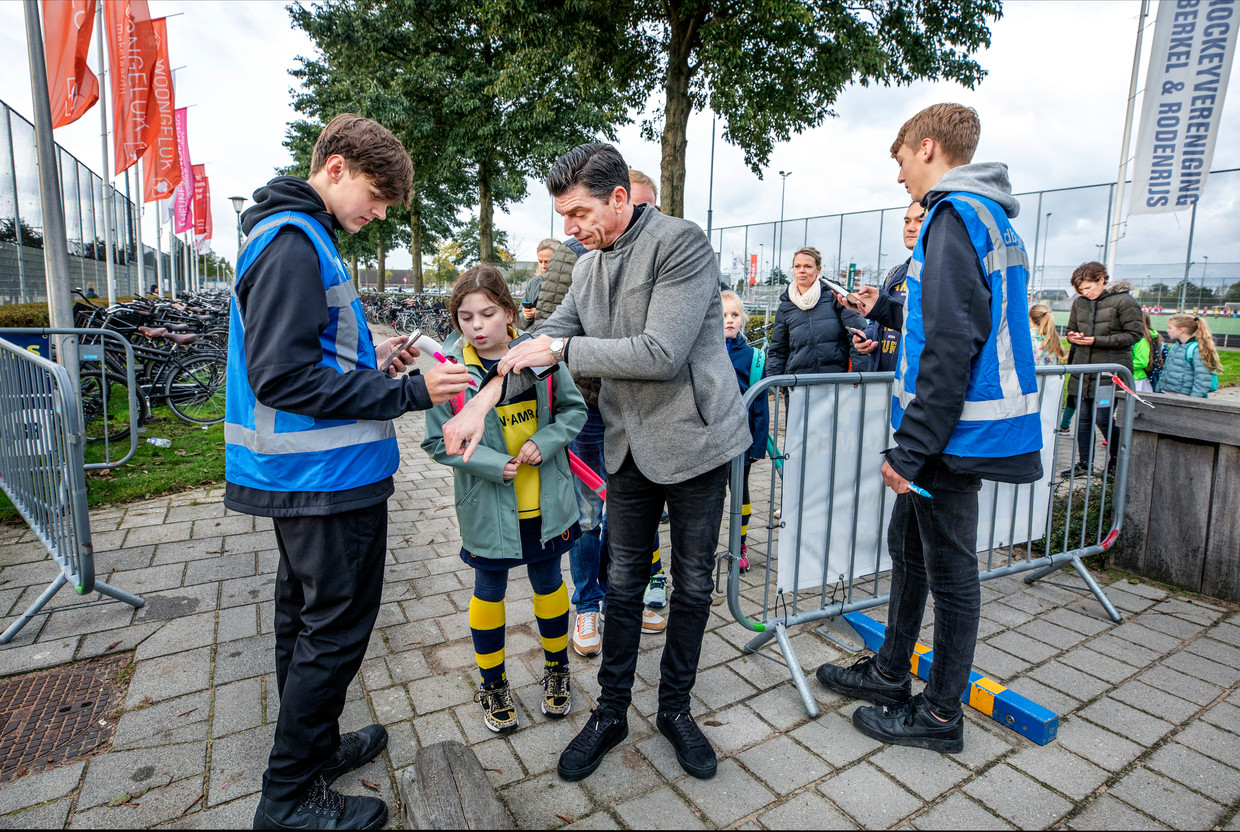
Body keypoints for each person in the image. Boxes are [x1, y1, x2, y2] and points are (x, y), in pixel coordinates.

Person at [440, 142, 750, 783]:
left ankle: (676, 710)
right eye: (563, 216)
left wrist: (561, 347)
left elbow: (660, 352)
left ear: (618, 198)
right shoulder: (584, 268)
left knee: (692, 585)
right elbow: (536, 343)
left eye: (579, 213)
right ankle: (610, 713)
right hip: (628, 448)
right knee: (623, 583)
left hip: (695, 442)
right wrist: (482, 400)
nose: (570, 229)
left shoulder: (680, 243)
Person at [229, 113, 470, 831]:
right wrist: (405, 393)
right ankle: (290, 799)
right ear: (334, 167)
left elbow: (314, 360)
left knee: (303, 623)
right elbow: (282, 377)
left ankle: (315, 750)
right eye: (376, 195)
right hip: (325, 482)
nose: (379, 213)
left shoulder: (298, 237)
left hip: (312, 477)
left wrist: (380, 361)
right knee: (333, 632)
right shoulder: (295, 245)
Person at [819, 103, 1043, 753]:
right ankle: (891, 671)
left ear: (926, 148)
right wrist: (883, 305)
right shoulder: (989, 217)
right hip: (958, 431)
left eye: (899, 163)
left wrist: (912, 450)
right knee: (910, 549)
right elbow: (949, 314)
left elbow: (950, 344)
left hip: (953, 437)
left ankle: (941, 715)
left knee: (950, 573)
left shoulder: (952, 215)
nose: (899, 179)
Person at [422, 265, 584, 733]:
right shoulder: (450, 374)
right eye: (466, 316)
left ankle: (557, 672)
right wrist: (493, 465)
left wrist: (549, 439)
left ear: (509, 313)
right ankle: (492, 682)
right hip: (488, 513)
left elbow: (574, 411)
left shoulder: (540, 359)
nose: (476, 325)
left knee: (550, 584)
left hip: (547, 507)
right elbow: (437, 444)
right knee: (488, 591)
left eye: (487, 314)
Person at [1062, 262, 1144, 477]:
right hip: (1083, 369)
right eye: (1081, 290)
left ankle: (1116, 461)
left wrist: (1096, 341)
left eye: (1088, 288)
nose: (1085, 293)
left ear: (1101, 280)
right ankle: (1084, 464)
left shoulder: (1124, 301)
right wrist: (1073, 336)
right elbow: (1072, 328)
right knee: (1084, 418)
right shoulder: (1080, 303)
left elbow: (1134, 335)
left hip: (1109, 372)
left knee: (1103, 418)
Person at [767, 246, 870, 378]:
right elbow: (778, 350)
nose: (802, 271)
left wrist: (860, 377)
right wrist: (772, 384)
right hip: (797, 385)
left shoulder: (835, 295)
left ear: (818, 269)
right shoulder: (785, 306)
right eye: (797, 266)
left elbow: (858, 336)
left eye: (808, 266)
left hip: (835, 383)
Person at [721, 290, 769, 573]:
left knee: (740, 492)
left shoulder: (754, 357)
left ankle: (739, 546)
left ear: (743, 319)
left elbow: (760, 404)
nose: (729, 320)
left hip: (741, 440)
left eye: (735, 315)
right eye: (723, 315)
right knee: (712, 496)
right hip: (711, 441)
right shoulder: (704, 351)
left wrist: (757, 446)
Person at [854, 203, 923, 369]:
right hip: (880, 379)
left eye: (919, 221)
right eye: (907, 221)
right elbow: (878, 323)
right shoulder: (896, 272)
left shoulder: (939, 274)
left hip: (913, 383)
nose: (910, 228)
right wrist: (866, 336)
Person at [1157, 314, 1222, 398]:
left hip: (1184, 398)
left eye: (1170, 328)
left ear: (1181, 330)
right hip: (1167, 395)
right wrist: (1158, 391)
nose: (1167, 330)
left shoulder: (1195, 350)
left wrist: (1192, 402)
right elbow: (1165, 372)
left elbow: (1202, 380)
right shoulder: (1174, 347)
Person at [519, 238, 558, 330]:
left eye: (547, 262)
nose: (543, 266)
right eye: (540, 262)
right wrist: (526, 316)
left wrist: (539, 314)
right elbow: (519, 319)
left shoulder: (569, 283)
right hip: (530, 335)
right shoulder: (533, 283)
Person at [1131, 310, 1162, 393]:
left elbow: (1141, 362)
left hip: (1137, 379)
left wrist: (1123, 364)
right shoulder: (1140, 339)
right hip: (1134, 378)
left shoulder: (1142, 340)